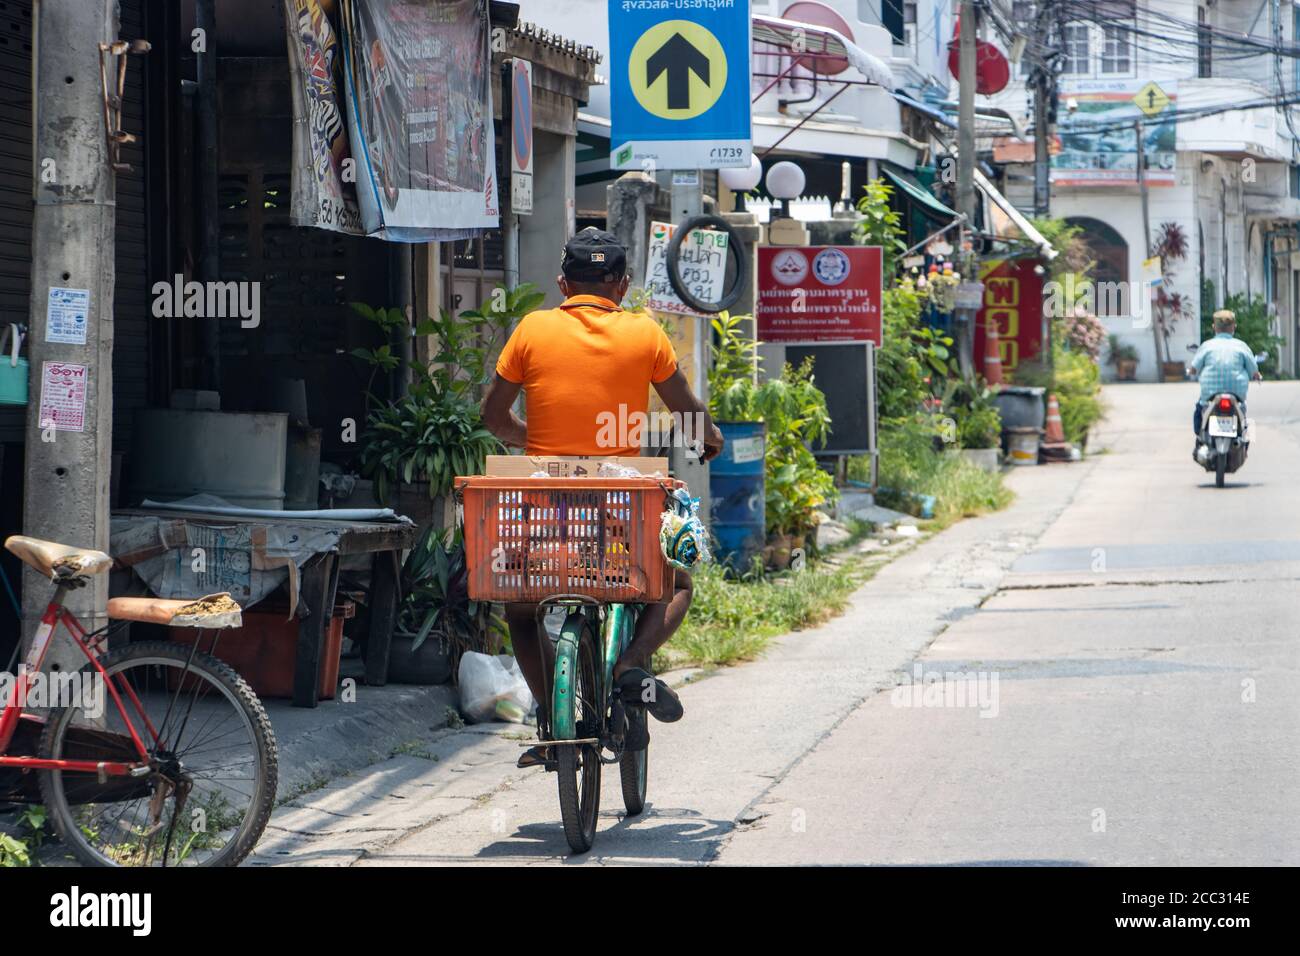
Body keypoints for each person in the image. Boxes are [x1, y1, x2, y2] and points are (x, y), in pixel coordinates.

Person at [480, 227, 724, 768]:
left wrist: (540, 442)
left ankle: (551, 720)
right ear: (623, 283)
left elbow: (493, 419)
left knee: (521, 606)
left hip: (543, 508)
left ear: (563, 282)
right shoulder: (645, 333)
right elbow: (685, 411)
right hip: (620, 507)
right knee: (673, 583)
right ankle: (630, 665)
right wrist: (711, 439)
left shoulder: (531, 329)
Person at [1188, 309, 1261, 460]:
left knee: (1198, 414)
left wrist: (1191, 371)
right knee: (1245, 422)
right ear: (1234, 327)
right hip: (1236, 396)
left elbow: (1194, 368)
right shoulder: (1242, 346)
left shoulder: (1207, 346)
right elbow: (1254, 370)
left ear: (1214, 327)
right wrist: (1257, 375)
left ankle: (1201, 439)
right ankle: (1243, 449)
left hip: (1210, 395)